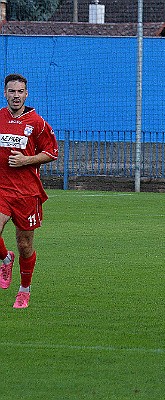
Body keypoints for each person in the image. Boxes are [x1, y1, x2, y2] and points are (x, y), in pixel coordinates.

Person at [0, 73, 58, 308]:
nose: (16, 95)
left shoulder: (37, 123)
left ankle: (24, 289)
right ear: (5, 93)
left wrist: (26, 160)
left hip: (27, 193)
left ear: (26, 94)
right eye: (11, 91)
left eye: (20, 91)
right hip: (2, 189)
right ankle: (5, 258)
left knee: (25, 245)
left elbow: (52, 153)